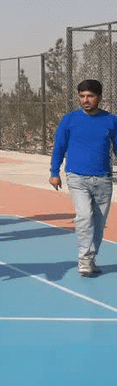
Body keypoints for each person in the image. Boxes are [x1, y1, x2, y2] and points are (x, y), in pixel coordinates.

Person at [49, 79, 117, 277]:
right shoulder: (69, 120)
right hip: (77, 177)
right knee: (85, 217)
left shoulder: (111, 121)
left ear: (99, 97)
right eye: (82, 96)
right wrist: (54, 172)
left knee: (99, 223)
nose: (85, 100)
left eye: (90, 96)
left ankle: (90, 258)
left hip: (103, 179)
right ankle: (84, 258)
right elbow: (59, 147)